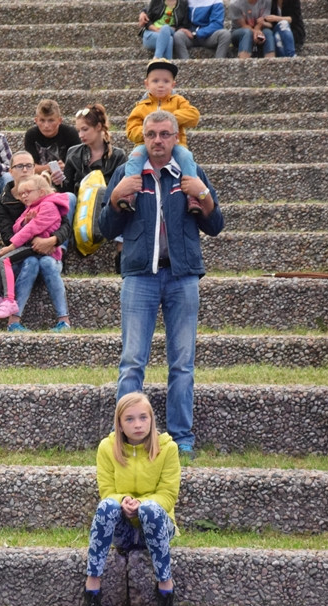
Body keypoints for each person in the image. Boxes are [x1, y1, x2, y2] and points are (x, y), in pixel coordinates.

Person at [100, 109, 225, 457]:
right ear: (143, 136)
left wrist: (203, 195)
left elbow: (215, 225)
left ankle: (181, 436)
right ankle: (125, 438)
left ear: (175, 137)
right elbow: (104, 228)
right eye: (151, 134)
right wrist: (114, 198)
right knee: (132, 361)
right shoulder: (129, 174)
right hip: (140, 276)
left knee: (182, 363)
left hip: (182, 276)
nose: (158, 140)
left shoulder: (189, 171)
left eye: (165, 134)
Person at [83, 392, 180, 606]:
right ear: (119, 424)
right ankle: (92, 590)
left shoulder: (168, 449)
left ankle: (165, 590)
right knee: (107, 506)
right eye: (129, 419)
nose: (137, 424)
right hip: (124, 530)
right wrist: (123, 501)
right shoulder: (107, 448)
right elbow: (107, 492)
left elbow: (167, 496)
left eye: (143, 417)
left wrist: (141, 504)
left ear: (151, 419)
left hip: (156, 527)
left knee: (150, 509)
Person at [0, 152, 71, 328]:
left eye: (29, 166)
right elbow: (9, 236)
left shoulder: (44, 195)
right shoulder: (3, 201)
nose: (25, 170)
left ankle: (64, 321)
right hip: (22, 256)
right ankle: (13, 320)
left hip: (49, 252)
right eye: (19, 166)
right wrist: (29, 231)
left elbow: (65, 226)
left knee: (46, 262)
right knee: (30, 261)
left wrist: (51, 241)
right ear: (10, 171)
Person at [119, 59, 202, 216]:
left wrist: (167, 118)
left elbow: (194, 116)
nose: (160, 85)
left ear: (173, 85)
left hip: (175, 144)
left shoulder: (178, 101)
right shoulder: (141, 107)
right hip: (146, 145)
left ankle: (193, 196)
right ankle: (130, 194)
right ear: (146, 84)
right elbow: (131, 131)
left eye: (166, 81)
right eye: (155, 80)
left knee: (186, 156)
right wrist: (148, 133)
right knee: (134, 156)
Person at [64, 104, 128, 275]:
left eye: (85, 129)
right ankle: (60, 252)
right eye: (78, 130)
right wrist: (59, 180)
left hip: (106, 205)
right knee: (67, 198)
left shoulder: (118, 155)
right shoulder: (73, 153)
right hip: (80, 206)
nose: (80, 135)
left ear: (98, 127)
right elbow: (66, 188)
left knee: (125, 201)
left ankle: (121, 257)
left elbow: (122, 187)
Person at [23, 99, 80, 193]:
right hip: (39, 182)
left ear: (59, 120)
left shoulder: (70, 134)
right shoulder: (31, 135)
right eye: (42, 120)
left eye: (51, 120)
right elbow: (30, 167)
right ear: (36, 120)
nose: (46, 125)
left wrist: (66, 167)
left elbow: (78, 166)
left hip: (66, 182)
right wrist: (48, 168)